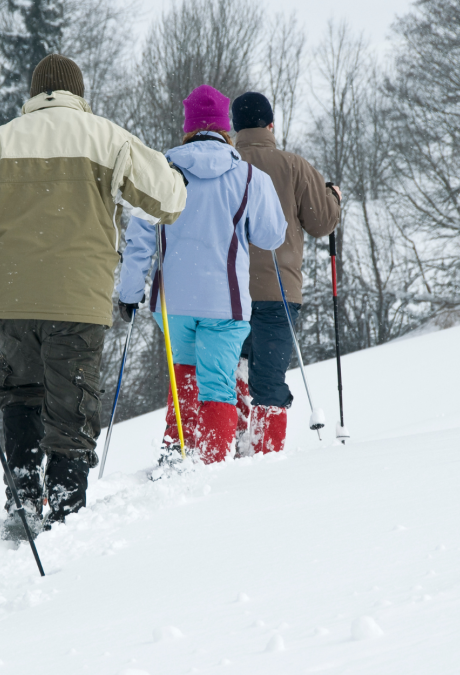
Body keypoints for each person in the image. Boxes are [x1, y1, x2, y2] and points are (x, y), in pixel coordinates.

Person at [0, 54, 186, 534]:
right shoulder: (108, 138)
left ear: (34, 95)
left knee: (22, 394)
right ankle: (66, 506)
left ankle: (25, 498)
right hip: (79, 300)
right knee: (72, 403)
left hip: (12, 299)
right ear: (78, 93)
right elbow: (169, 201)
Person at [117, 85, 288, 463]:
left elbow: (139, 241)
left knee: (185, 379)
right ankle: (210, 465)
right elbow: (272, 235)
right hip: (225, 304)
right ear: (225, 128)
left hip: (174, 304)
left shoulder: (161, 173)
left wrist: (129, 294)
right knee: (218, 387)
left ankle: (179, 455)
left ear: (188, 126)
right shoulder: (249, 177)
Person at [231, 92, 342, 454]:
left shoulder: (226, 163)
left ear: (234, 127)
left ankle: (232, 442)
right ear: (270, 125)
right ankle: (264, 455)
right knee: (271, 380)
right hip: (279, 293)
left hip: (229, 293)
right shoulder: (293, 166)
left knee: (232, 369)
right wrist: (334, 197)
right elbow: (322, 222)